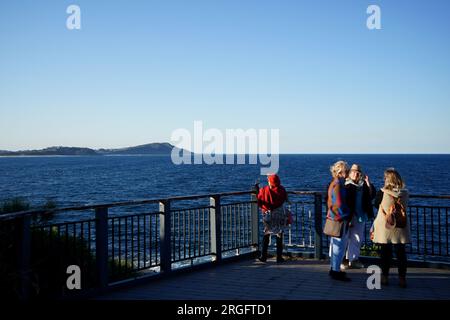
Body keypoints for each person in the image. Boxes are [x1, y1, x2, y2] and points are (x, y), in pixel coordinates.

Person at [372, 168, 410, 288]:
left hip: (386, 226)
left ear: (387, 180)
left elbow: (375, 203)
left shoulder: (382, 192)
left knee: (385, 253)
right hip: (400, 225)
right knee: (401, 253)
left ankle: (385, 277)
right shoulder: (405, 193)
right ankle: (402, 279)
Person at [342, 164, 376, 269]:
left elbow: (372, 195)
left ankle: (353, 260)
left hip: (360, 216)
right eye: (353, 171)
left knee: (357, 238)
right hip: (347, 216)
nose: (356, 173)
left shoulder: (363, 185)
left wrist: (368, 184)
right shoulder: (345, 184)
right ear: (349, 172)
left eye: (358, 171)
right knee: (343, 238)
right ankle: (342, 260)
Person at [326, 161, 352, 281]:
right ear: (340, 172)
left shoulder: (334, 183)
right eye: (346, 171)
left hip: (334, 218)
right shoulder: (338, 185)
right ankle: (336, 271)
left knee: (335, 245)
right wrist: (347, 214)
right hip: (340, 219)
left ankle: (334, 269)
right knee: (339, 247)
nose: (348, 173)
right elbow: (339, 204)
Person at [256, 174, 288, 263]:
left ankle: (263, 256)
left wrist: (257, 191)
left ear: (270, 181)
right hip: (279, 213)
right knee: (279, 234)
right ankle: (279, 257)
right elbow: (284, 198)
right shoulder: (281, 189)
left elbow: (259, 201)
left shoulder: (264, 190)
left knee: (266, 233)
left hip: (268, 214)